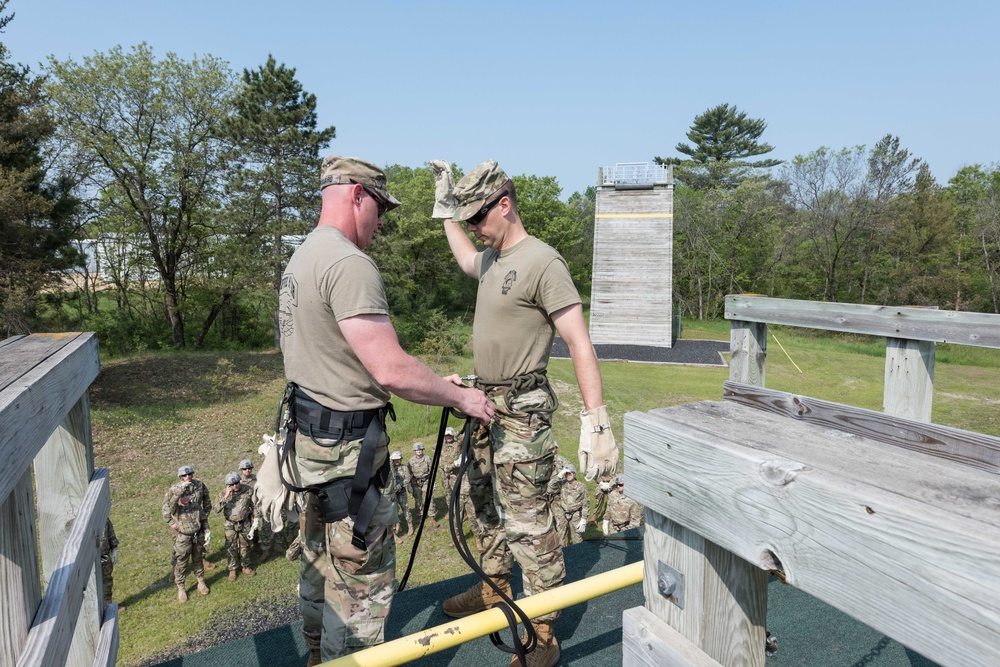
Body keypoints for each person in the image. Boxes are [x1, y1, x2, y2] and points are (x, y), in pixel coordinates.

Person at [276, 155, 494, 664]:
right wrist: (459, 397)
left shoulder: (302, 255)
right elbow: (390, 369)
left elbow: (333, 353)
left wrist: (438, 383)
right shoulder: (349, 263)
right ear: (357, 195)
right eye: (379, 208)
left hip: (310, 444)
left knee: (319, 564)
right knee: (360, 582)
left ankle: (315, 655)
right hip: (349, 459)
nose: (380, 222)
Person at [431, 159, 619, 667]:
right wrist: (445, 207)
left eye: (478, 216)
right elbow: (465, 258)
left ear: (505, 205)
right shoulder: (491, 260)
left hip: (522, 413)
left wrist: (596, 420)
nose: (474, 227)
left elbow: (580, 343)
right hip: (484, 405)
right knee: (481, 503)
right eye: (468, 218)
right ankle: (494, 587)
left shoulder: (544, 262)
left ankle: (542, 633)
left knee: (529, 523)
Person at [162, 466, 211, 603]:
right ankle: (181, 587)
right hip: (182, 536)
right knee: (181, 561)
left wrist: (207, 531)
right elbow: (169, 506)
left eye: (189, 474)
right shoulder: (176, 507)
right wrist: (180, 491)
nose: (187, 496)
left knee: (198, 559)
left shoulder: (195, 504)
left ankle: (201, 582)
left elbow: (203, 517)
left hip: (197, 535)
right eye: (185, 475)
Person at [215, 471, 258, 580]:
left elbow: (254, 505)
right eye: (232, 484)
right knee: (231, 547)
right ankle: (232, 569)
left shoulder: (248, 490)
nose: (236, 485)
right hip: (230, 524)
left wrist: (256, 518)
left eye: (237, 483)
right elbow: (216, 509)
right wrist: (226, 496)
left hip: (244, 522)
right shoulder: (222, 493)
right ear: (228, 485)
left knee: (245, 545)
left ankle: (245, 566)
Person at [555, 465, 589, 546]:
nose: (568, 475)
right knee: (560, 536)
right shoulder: (562, 484)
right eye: (566, 474)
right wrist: (559, 475)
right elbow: (551, 485)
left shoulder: (581, 486)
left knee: (577, 537)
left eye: (569, 473)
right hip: (563, 513)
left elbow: (586, 503)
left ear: (574, 474)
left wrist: (584, 519)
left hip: (575, 514)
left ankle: (579, 555)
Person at [407, 442, 435, 528]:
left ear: (422, 450)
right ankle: (420, 516)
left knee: (429, 498)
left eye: (420, 449)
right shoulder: (411, 461)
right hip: (416, 483)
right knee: (418, 500)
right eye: (417, 450)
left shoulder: (427, 458)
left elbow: (432, 470)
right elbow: (408, 474)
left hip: (426, 481)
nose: (418, 451)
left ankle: (432, 517)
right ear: (414, 451)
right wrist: (409, 485)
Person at [389, 450, 410, 541]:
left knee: (405, 508)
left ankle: (410, 525)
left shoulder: (404, 468)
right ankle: (395, 528)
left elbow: (408, 478)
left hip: (401, 491)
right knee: (394, 511)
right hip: (392, 493)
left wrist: (401, 484)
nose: (397, 461)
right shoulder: (390, 469)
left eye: (398, 459)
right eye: (395, 460)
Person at [100, 517, 119, 608]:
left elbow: (110, 532)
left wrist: (115, 548)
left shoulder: (103, 517)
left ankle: (108, 606)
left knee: (107, 582)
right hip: (89, 559)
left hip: (105, 556)